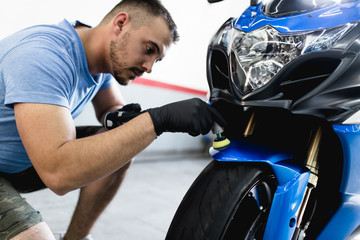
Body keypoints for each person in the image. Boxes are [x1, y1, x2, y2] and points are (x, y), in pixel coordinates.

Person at [0, 0, 225, 239]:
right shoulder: (44, 56)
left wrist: (126, 116)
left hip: (18, 164)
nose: (149, 67)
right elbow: (58, 174)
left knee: (121, 143)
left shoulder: (99, 63)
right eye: (149, 49)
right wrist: (158, 119)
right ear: (120, 24)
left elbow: (111, 109)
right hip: (34, 165)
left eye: (157, 60)